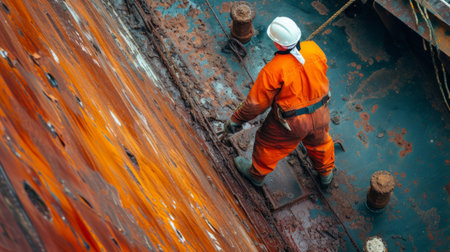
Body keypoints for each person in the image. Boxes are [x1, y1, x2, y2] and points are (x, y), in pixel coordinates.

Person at [225, 17, 335, 188]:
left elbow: (256, 104)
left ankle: (257, 175)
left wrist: (236, 120)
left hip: (294, 122)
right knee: (320, 142)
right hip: (322, 112)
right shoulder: (314, 49)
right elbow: (322, 71)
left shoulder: (273, 70)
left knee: (268, 143)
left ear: (277, 43)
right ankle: (326, 174)